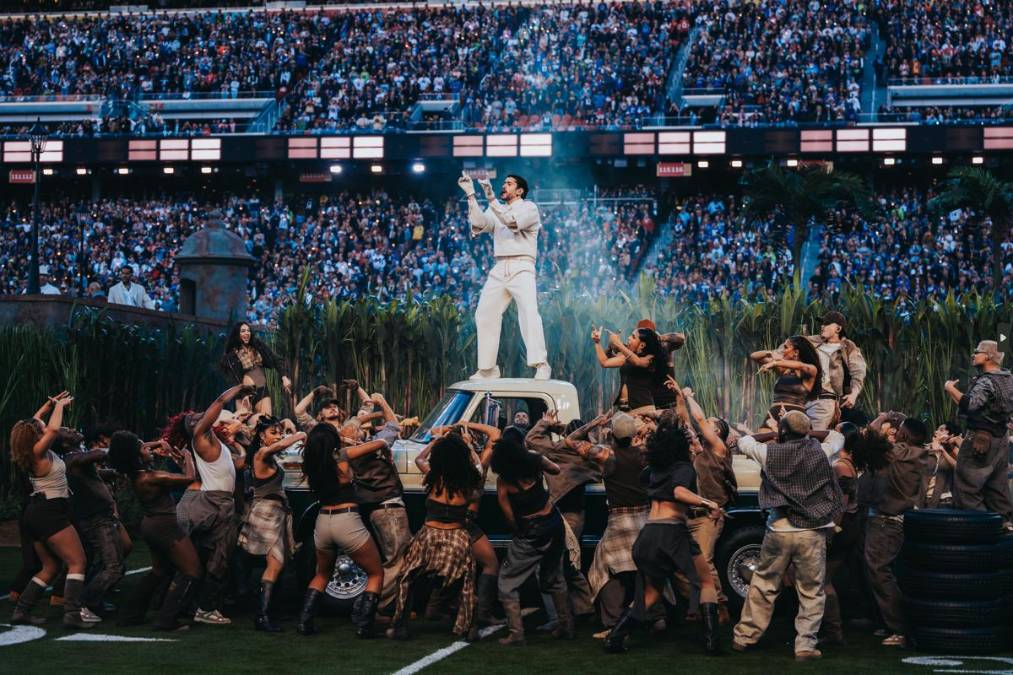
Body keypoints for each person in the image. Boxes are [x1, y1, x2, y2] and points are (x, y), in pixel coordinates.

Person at [603, 414, 724, 655]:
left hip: (647, 536)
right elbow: (678, 492)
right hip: (671, 534)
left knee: (651, 593)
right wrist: (709, 503)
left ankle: (615, 638)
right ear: (680, 448)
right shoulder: (683, 469)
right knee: (706, 581)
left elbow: (666, 493)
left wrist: (696, 505)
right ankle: (712, 643)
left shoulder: (651, 471)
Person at [733, 411, 845, 662]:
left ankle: (745, 637)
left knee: (763, 585)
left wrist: (775, 434)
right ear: (805, 431)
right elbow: (837, 435)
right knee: (811, 590)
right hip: (812, 530)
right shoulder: (821, 451)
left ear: (783, 431)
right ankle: (805, 645)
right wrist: (807, 432)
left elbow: (744, 441)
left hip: (779, 527)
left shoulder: (769, 452)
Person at [9, 391, 98, 629]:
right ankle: (72, 614)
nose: (42, 424)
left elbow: (36, 422)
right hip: (50, 512)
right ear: (37, 433)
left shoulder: (30, 449)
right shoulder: (39, 451)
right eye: (39, 426)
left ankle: (22, 611)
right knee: (78, 561)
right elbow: (53, 429)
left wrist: (47, 407)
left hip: (36, 513)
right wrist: (60, 406)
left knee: (50, 566)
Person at [164, 384, 248, 627]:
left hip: (223, 504)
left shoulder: (216, 444)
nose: (198, 418)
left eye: (199, 416)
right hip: (208, 502)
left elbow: (239, 464)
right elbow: (220, 401)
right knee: (188, 559)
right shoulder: (200, 436)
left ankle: (205, 608)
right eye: (193, 419)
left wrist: (236, 443)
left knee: (219, 561)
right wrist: (242, 387)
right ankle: (173, 608)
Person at [296, 410, 386, 637]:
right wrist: (381, 442)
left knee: (322, 574)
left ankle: (305, 622)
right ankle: (364, 626)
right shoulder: (342, 456)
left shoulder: (313, 463)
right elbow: (377, 444)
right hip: (347, 520)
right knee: (376, 573)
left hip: (322, 522)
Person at [388, 431, 483, 640]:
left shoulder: (433, 477)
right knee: (467, 583)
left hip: (429, 536)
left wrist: (435, 442)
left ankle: (400, 625)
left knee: (406, 579)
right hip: (457, 537)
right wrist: (469, 448)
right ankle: (470, 627)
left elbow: (419, 458)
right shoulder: (469, 483)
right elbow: (479, 468)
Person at [459, 171, 550, 381]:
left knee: (528, 312)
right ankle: (488, 369)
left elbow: (510, 222)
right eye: (504, 183)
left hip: (522, 265)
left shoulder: (529, 208)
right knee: (484, 313)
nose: (504, 186)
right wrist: (471, 195)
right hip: (500, 266)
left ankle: (541, 364)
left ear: (520, 191)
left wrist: (491, 198)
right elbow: (480, 223)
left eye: (509, 184)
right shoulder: (496, 209)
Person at [108, 432, 202, 631]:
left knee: (159, 571)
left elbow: (137, 448)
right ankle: (166, 619)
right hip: (165, 526)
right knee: (192, 571)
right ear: (136, 456)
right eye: (145, 449)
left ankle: (130, 614)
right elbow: (190, 477)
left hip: (151, 525)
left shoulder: (137, 474)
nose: (150, 450)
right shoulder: (153, 477)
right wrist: (186, 455)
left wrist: (157, 443)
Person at [416, 421, 501, 628]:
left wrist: (440, 437)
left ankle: (436, 607)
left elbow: (420, 459)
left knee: (444, 566)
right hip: (465, 524)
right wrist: (468, 438)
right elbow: (495, 434)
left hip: (439, 524)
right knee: (490, 564)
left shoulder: (439, 473)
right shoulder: (475, 468)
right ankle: (481, 613)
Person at [491, 427, 569, 646]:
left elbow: (508, 515)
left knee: (507, 582)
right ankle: (566, 625)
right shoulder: (535, 462)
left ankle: (517, 633)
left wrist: (519, 531)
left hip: (531, 532)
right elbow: (555, 469)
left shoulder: (505, 480)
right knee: (555, 577)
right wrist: (539, 460)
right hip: (554, 525)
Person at [526, 410, 599, 625]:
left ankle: (559, 616)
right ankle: (583, 608)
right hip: (576, 515)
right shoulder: (592, 459)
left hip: (561, 514)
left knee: (552, 565)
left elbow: (531, 439)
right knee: (569, 564)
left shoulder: (558, 452)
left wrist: (547, 424)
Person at [862, 417, 930, 648]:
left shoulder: (895, 453)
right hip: (899, 520)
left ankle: (898, 629)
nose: (894, 433)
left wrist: (882, 417)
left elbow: (868, 434)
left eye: (898, 431)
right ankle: (890, 623)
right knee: (886, 572)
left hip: (884, 521)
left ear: (904, 435)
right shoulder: (919, 456)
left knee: (879, 572)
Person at [674, 380, 737, 624]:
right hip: (686, 514)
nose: (705, 423)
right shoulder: (697, 450)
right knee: (680, 565)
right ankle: (699, 606)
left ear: (718, 431)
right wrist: (680, 397)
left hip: (707, 516)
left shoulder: (719, 449)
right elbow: (685, 422)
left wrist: (690, 395)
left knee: (704, 561)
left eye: (711, 423)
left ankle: (719, 607)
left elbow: (698, 420)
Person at [583, 412, 650, 636]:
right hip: (644, 518)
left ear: (612, 434)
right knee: (645, 569)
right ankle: (656, 617)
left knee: (605, 569)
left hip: (620, 521)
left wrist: (593, 424)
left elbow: (575, 445)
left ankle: (612, 622)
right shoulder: (644, 454)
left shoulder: (607, 456)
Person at [237, 417, 306, 632]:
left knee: (280, 563)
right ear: (262, 436)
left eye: (279, 432)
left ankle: (269, 610)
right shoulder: (261, 454)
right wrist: (300, 434)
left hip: (276, 513)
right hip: (265, 513)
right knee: (275, 564)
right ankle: (262, 615)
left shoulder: (268, 457)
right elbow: (282, 445)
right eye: (274, 432)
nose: (278, 436)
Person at [346, 393, 411, 613]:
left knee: (392, 557)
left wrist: (363, 416)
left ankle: (383, 604)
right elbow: (393, 426)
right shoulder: (372, 447)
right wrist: (382, 402)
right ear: (356, 436)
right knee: (396, 560)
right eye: (360, 430)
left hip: (377, 509)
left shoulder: (347, 451)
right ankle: (373, 606)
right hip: (389, 509)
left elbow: (354, 426)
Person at [944, 340, 1013, 526]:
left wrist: (950, 388)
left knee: (966, 486)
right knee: (997, 487)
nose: (974, 354)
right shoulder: (1008, 378)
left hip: (981, 438)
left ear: (989, 356)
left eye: (978, 351)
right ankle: (1005, 525)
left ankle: (981, 528)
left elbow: (971, 405)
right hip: (1001, 437)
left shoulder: (987, 380)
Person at [61, 428, 127, 617]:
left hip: (100, 517)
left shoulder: (75, 460)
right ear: (65, 444)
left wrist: (113, 473)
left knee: (112, 563)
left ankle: (92, 600)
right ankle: (83, 604)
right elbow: (97, 454)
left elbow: (95, 473)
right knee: (114, 568)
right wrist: (122, 448)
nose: (73, 430)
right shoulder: (74, 458)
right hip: (96, 518)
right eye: (67, 431)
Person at [768, 312, 867, 430]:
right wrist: (774, 358)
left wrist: (853, 393)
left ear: (838, 328)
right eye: (822, 324)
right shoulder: (810, 341)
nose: (822, 326)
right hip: (801, 398)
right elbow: (787, 347)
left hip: (824, 399)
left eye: (827, 324)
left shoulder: (848, 347)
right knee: (790, 433)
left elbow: (858, 373)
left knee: (812, 436)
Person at [219, 322, 292, 416]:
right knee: (245, 427)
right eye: (243, 331)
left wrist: (284, 377)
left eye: (248, 330)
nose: (246, 333)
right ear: (237, 334)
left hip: (262, 390)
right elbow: (234, 379)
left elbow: (275, 359)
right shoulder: (232, 355)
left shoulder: (257, 346)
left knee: (266, 423)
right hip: (244, 394)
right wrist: (243, 395)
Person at [592, 326, 669, 413]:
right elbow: (604, 362)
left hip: (642, 409)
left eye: (633, 337)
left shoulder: (649, 358)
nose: (628, 338)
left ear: (642, 345)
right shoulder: (629, 357)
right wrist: (598, 342)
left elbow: (637, 361)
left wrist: (617, 343)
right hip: (626, 410)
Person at [751, 336, 822, 423]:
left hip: (795, 416)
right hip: (774, 413)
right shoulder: (783, 369)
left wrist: (774, 363)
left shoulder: (811, 369)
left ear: (796, 352)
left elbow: (800, 365)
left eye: (786, 347)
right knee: (762, 435)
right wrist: (770, 353)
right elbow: (754, 356)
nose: (783, 351)